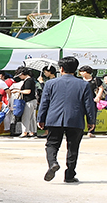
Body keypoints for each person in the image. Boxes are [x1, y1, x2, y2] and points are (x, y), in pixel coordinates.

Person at [39, 56, 97, 184]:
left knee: (52, 144)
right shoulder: (84, 84)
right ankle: (69, 175)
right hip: (75, 119)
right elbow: (89, 104)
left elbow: (44, 103)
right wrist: (91, 121)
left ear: (61, 69)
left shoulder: (50, 83)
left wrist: (41, 118)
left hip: (54, 118)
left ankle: (53, 163)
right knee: (73, 147)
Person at [18, 70, 39, 138]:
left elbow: (28, 91)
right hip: (33, 101)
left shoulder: (28, 81)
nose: (19, 77)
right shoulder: (31, 80)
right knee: (32, 117)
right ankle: (32, 131)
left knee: (26, 117)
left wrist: (19, 91)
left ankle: (25, 132)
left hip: (29, 101)